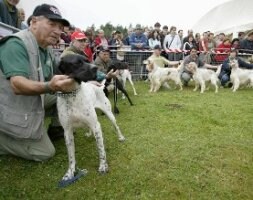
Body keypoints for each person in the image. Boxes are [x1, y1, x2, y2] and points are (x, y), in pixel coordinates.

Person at [0, 4, 77, 161]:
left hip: (31, 100)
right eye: (52, 24)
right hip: (12, 106)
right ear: (33, 22)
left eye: (61, 27)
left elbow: (60, 73)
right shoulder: (16, 43)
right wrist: (50, 86)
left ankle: (56, 129)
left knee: (70, 92)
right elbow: (17, 85)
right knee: (45, 153)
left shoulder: (46, 48)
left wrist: (87, 81)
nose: (58, 31)